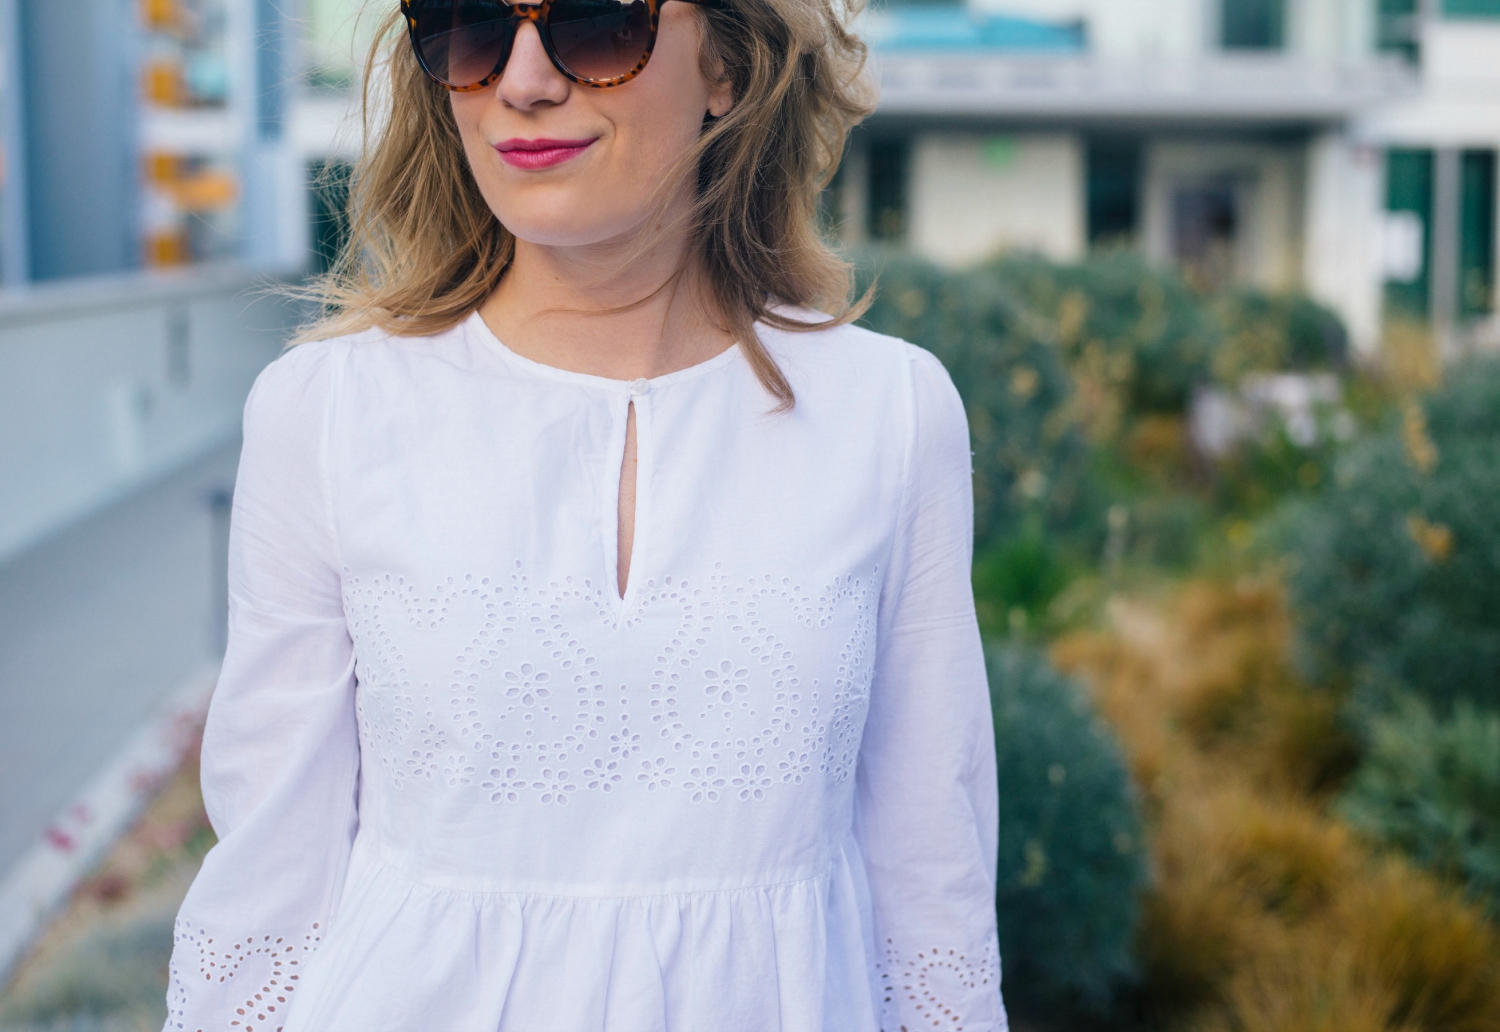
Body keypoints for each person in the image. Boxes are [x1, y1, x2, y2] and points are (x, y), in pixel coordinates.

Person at [163, 1, 1006, 1029]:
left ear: (727, 68)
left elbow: (933, 889)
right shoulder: (326, 414)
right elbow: (269, 891)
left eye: (601, 24)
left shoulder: (893, 414)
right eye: (471, 28)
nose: (523, 80)